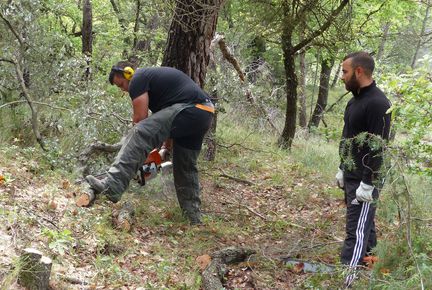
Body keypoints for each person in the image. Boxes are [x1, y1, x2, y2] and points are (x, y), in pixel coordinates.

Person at [85, 61, 214, 225]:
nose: (125, 89)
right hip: (204, 113)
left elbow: (140, 120)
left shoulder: (139, 77)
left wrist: (138, 150)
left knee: (140, 131)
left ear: (128, 73)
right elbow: (168, 121)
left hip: (190, 109)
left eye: (122, 84)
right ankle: (193, 219)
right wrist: (165, 149)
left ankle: (112, 185)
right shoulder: (161, 91)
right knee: (185, 167)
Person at [335, 52, 391, 286]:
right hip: (351, 175)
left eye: (345, 71)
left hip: (365, 180)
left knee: (355, 231)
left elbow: (378, 147)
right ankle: (373, 265)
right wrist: (342, 168)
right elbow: (348, 137)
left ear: (359, 72)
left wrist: (368, 183)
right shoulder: (354, 99)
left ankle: (347, 277)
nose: (341, 77)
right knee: (363, 225)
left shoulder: (378, 103)